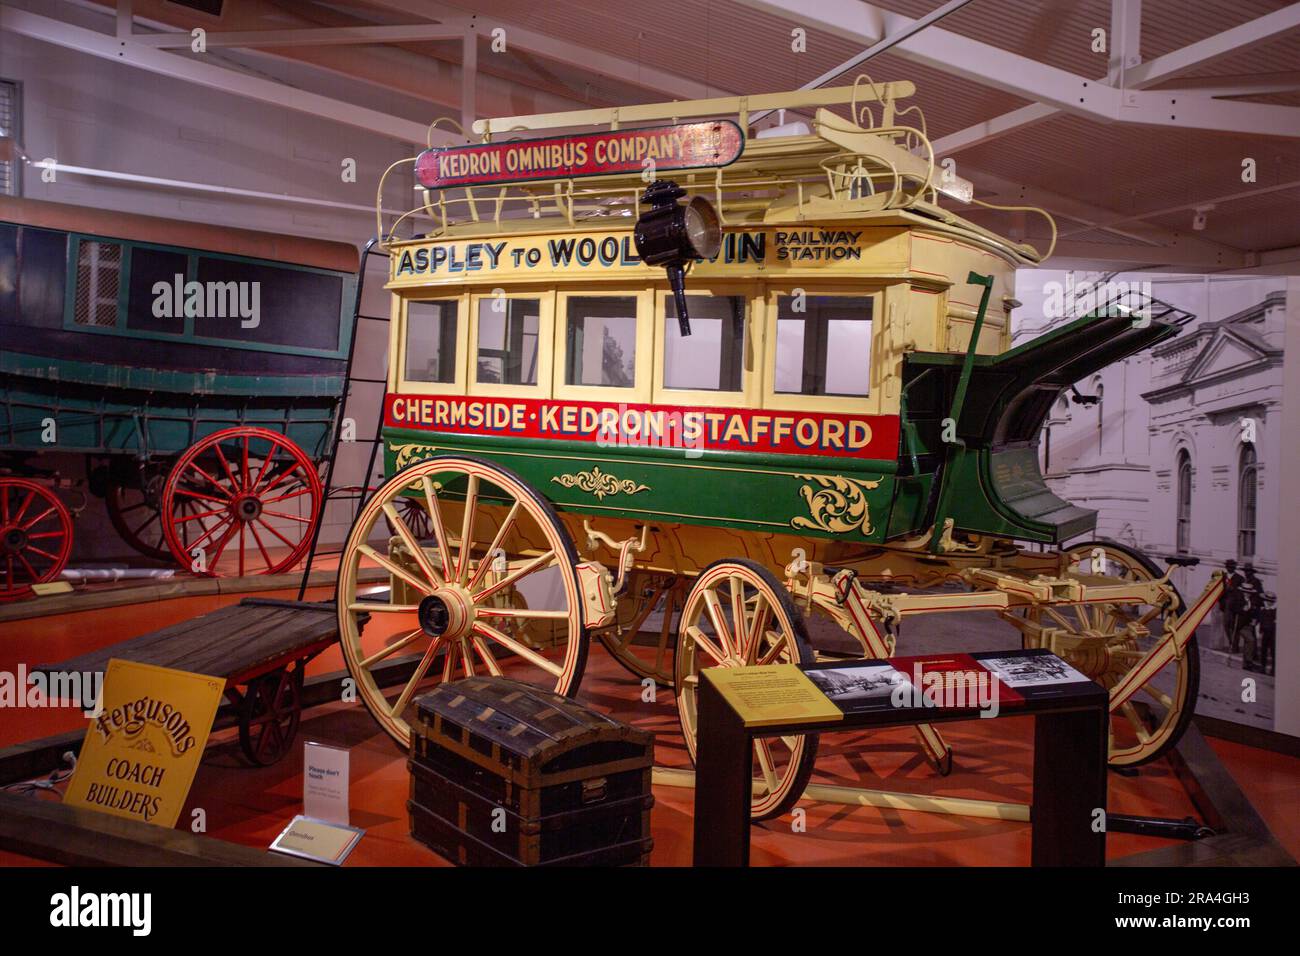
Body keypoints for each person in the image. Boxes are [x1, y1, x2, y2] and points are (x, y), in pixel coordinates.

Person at [1219, 559, 1246, 654]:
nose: (1230, 568)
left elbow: (1242, 593)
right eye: (1228, 566)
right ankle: (1231, 643)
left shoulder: (1240, 578)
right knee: (1226, 625)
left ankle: (1235, 646)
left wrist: (1233, 590)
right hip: (1225, 605)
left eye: (1232, 566)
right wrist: (1221, 602)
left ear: (1234, 568)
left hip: (1235, 606)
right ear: (1226, 567)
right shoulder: (1222, 577)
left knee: (1234, 627)